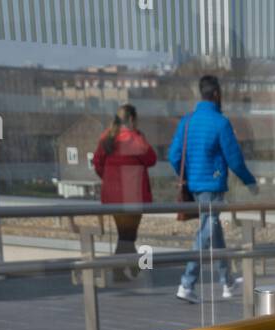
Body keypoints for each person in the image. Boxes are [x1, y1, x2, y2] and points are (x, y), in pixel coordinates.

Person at [169, 74, 257, 304]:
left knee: (214, 231)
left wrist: (188, 175)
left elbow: (173, 155)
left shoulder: (187, 121)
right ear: (216, 94)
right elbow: (234, 159)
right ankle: (187, 283)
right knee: (206, 233)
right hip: (213, 186)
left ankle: (227, 282)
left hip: (195, 187)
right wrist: (250, 182)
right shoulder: (220, 122)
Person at [93, 104, 157, 278]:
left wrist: (108, 180)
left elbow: (98, 164)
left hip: (113, 195)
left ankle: (128, 267)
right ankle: (121, 269)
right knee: (128, 235)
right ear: (131, 119)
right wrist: (139, 135)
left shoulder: (106, 138)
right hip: (132, 194)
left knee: (125, 234)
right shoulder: (135, 138)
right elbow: (151, 159)